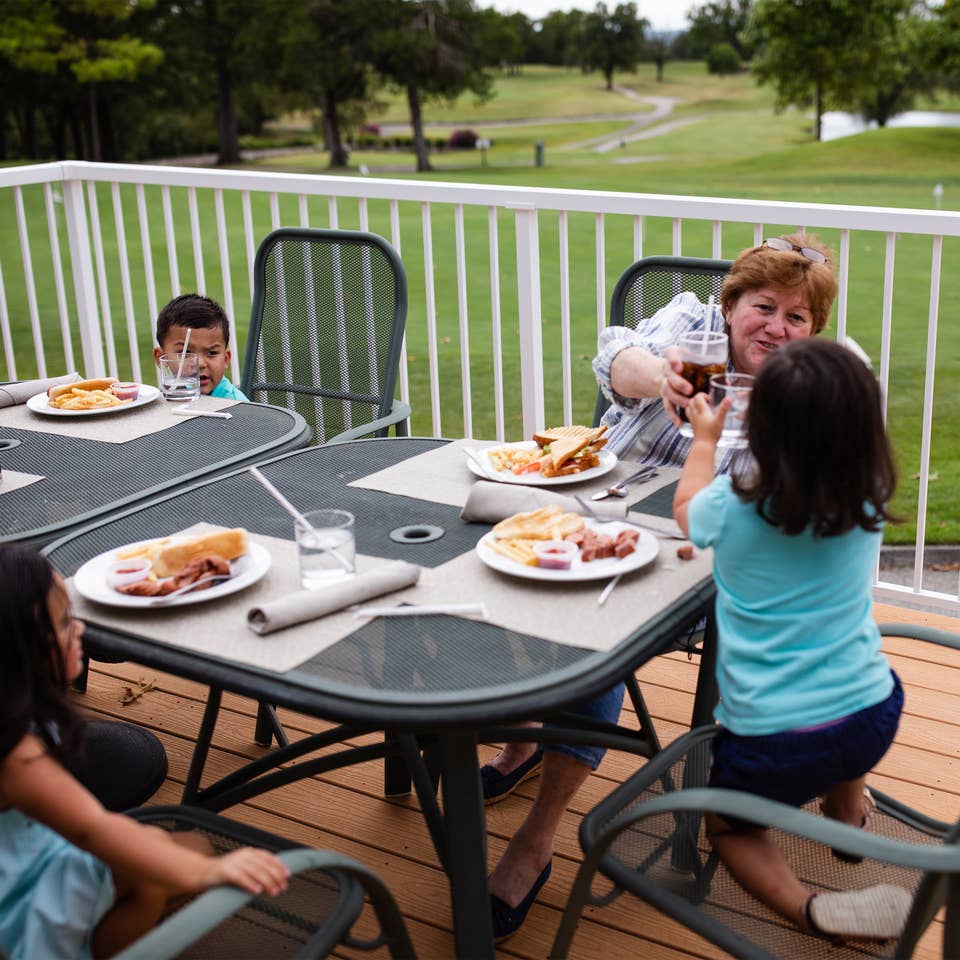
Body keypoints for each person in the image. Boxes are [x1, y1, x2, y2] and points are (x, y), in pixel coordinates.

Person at [486, 234, 838, 940]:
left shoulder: (804, 393)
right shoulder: (690, 323)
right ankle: (527, 736)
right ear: (731, 304)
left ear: (812, 332)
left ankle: (538, 837)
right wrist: (663, 377)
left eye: (796, 318)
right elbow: (613, 359)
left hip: (694, 560)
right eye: (762, 305)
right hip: (590, 508)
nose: (776, 326)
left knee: (602, 632)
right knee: (498, 570)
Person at [672, 337, 910, 940]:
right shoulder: (867, 501)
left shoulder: (732, 507)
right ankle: (845, 812)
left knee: (730, 827)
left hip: (772, 742)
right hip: (872, 713)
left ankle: (807, 909)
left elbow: (686, 512)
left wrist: (703, 443)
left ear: (763, 431)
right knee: (846, 729)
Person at [0, 545, 290, 959]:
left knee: (186, 848)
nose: (79, 629)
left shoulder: (16, 715)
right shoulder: (16, 756)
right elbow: (92, 829)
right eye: (64, 624)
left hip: (38, 850)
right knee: (157, 877)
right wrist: (208, 873)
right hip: (25, 897)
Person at [154, 294, 249, 400]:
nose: (200, 364)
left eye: (211, 353)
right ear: (161, 358)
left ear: (226, 359)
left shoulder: (236, 405)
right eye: (185, 353)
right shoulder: (157, 402)